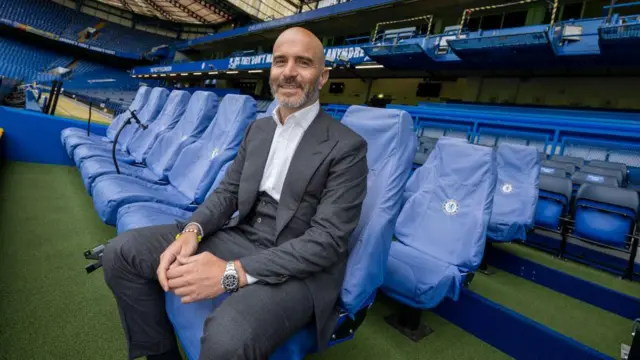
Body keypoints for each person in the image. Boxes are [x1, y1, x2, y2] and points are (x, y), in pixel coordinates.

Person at [102, 27, 368, 360]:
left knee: (229, 337)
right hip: (242, 236)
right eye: (280, 61)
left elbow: (326, 242)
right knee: (121, 253)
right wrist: (192, 231)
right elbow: (227, 192)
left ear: (322, 76)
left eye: (303, 63)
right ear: (271, 70)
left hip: (301, 265)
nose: (289, 71)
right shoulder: (258, 128)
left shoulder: (348, 146)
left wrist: (231, 273)